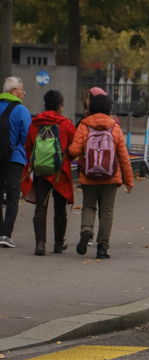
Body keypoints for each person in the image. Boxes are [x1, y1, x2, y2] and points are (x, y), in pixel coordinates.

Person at [68, 95, 134, 259]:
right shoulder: (115, 127)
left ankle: (86, 231)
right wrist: (129, 180)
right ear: (108, 108)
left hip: (89, 176)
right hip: (110, 177)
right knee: (106, 211)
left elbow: (74, 151)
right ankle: (102, 248)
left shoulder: (84, 126)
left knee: (89, 206)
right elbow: (124, 157)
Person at [20, 90, 76, 256]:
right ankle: (58, 243)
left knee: (40, 207)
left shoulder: (36, 123)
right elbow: (73, 148)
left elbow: (28, 146)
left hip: (40, 172)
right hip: (60, 173)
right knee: (60, 209)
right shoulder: (66, 124)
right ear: (60, 106)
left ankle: (40, 244)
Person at [0, 77, 32, 248]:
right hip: (15, 159)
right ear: (13, 91)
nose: (24, 92)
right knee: (13, 197)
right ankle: (5, 235)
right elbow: (28, 137)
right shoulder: (21, 111)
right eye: (21, 88)